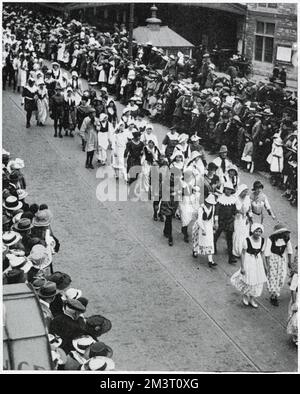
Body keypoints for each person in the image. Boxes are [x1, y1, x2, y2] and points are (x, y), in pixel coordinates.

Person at [231, 223, 267, 308]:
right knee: (248, 279)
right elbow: (243, 254)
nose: (258, 233)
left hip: (257, 262)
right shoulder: (247, 240)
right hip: (249, 261)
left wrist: (265, 266)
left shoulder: (262, 240)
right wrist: (242, 267)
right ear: (253, 231)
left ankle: (252, 298)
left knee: (257, 280)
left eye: (259, 231)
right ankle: (245, 296)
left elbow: (262, 254)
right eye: (256, 231)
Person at [265, 223, 293, 306]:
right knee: (273, 277)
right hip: (273, 258)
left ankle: (277, 291)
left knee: (281, 276)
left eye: (284, 233)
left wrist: (289, 262)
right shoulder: (271, 239)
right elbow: (266, 254)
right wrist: (267, 265)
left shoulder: (286, 239)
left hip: (282, 259)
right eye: (281, 233)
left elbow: (290, 250)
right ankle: (273, 296)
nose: (283, 234)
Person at [214, 182, 237, 264]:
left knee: (229, 239)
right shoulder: (220, 199)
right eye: (227, 189)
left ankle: (231, 257)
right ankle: (213, 246)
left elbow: (234, 210)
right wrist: (216, 221)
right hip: (221, 221)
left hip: (230, 221)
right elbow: (216, 211)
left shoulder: (233, 199)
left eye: (230, 190)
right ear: (224, 190)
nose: (228, 191)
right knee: (217, 234)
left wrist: (233, 217)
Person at [192, 193, 218, 267]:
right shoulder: (201, 208)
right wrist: (203, 229)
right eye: (209, 203)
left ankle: (210, 260)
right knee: (198, 239)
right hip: (201, 225)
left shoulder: (213, 207)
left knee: (210, 241)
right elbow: (200, 220)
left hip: (209, 226)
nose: (210, 204)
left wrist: (213, 226)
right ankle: (195, 250)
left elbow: (212, 217)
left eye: (211, 203)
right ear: (206, 202)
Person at [232, 184, 252, 259]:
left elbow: (250, 209)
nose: (245, 193)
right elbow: (234, 210)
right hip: (237, 219)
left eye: (246, 192)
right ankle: (236, 251)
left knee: (245, 235)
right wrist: (238, 212)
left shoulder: (247, 199)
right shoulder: (236, 198)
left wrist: (249, 217)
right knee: (237, 234)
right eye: (244, 192)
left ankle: (243, 251)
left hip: (245, 219)